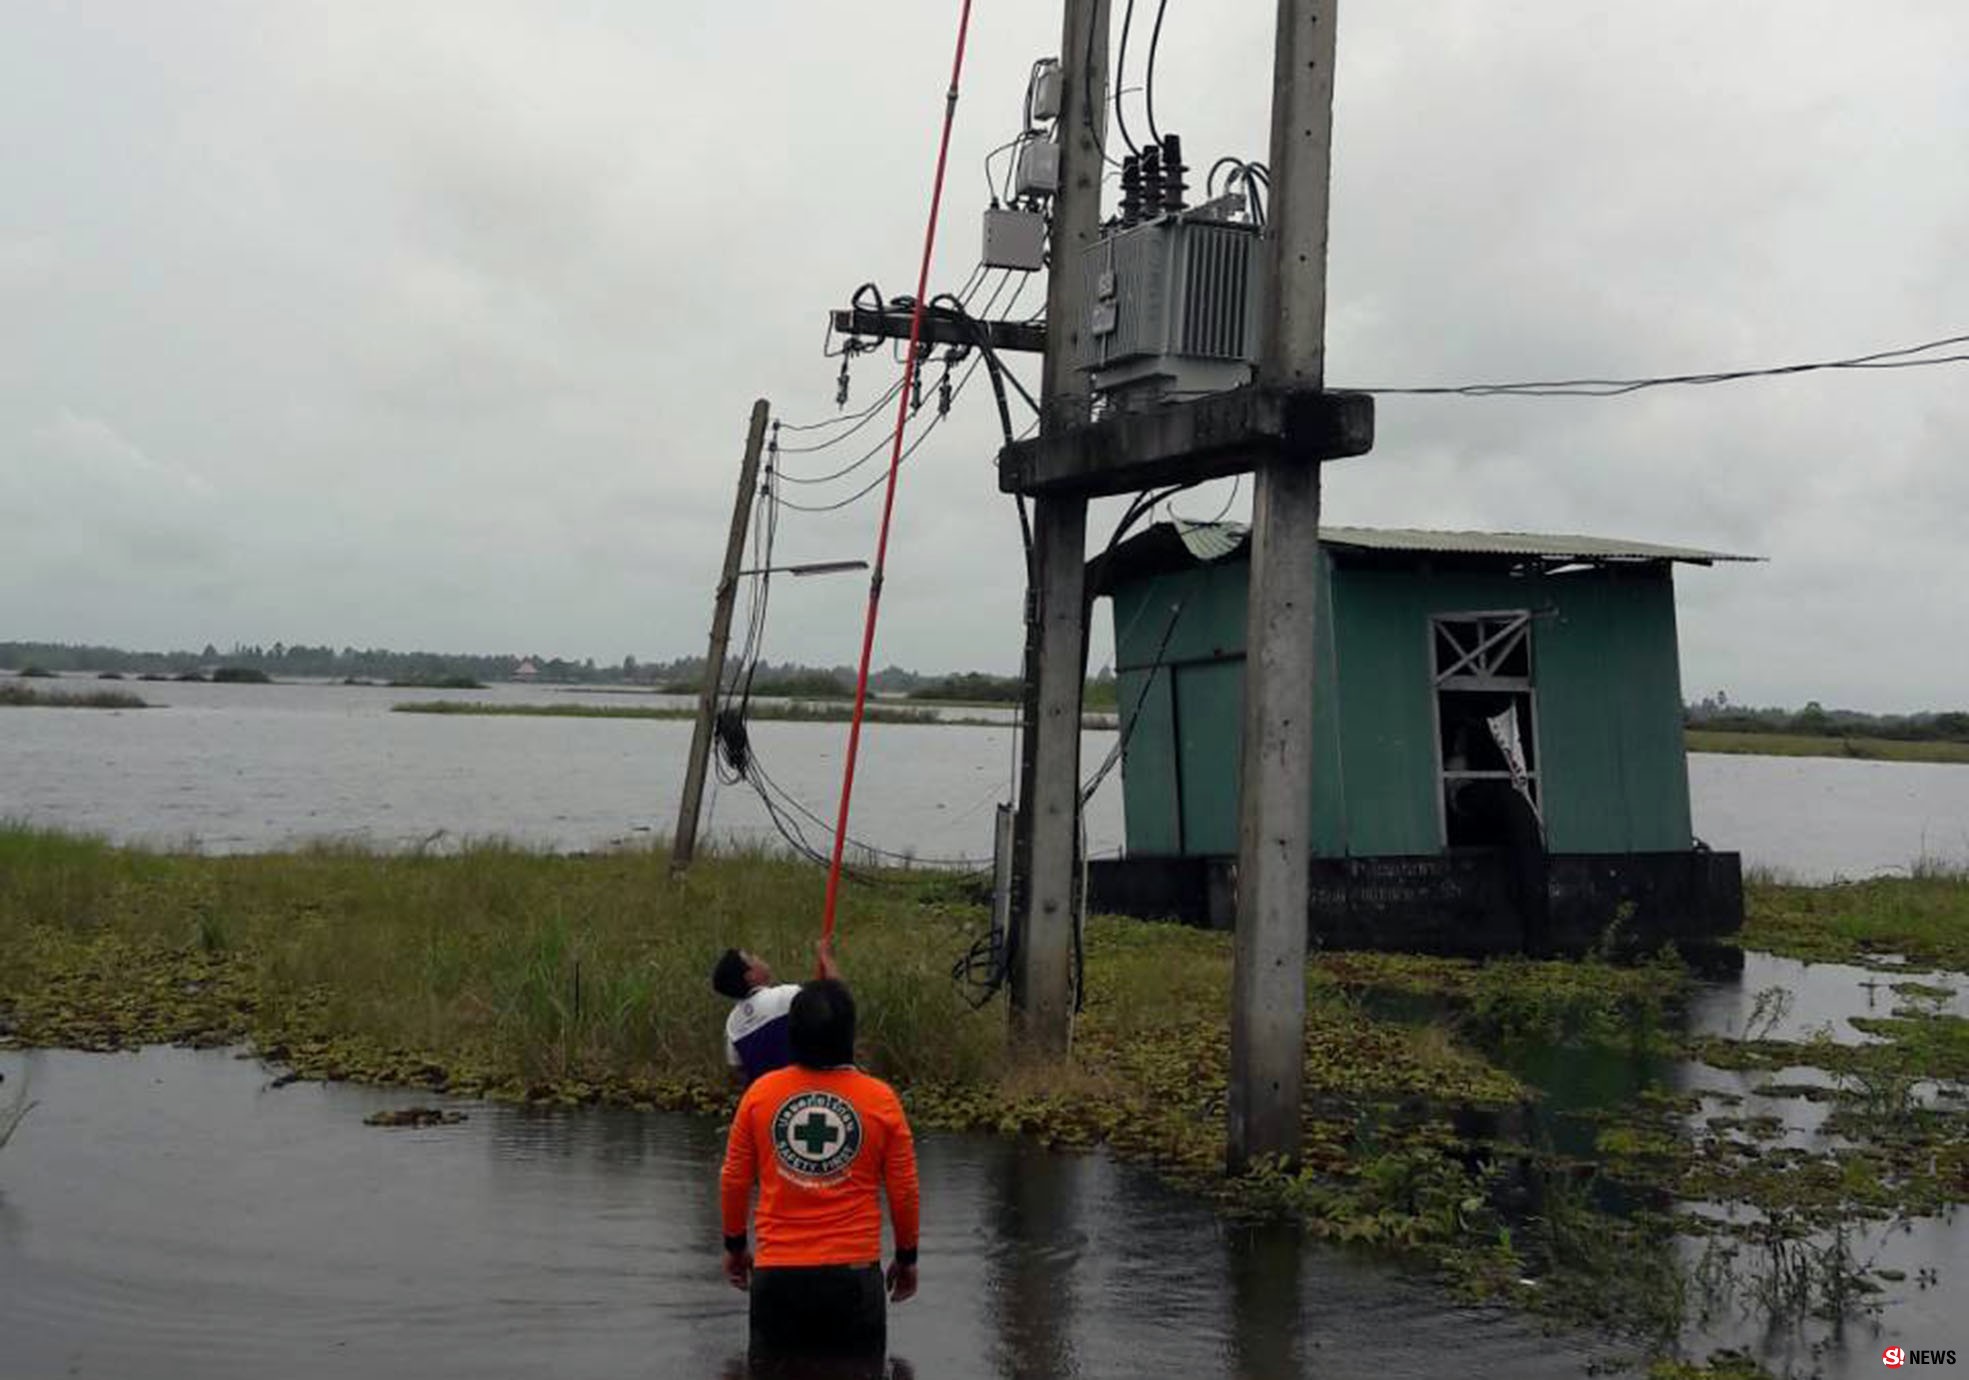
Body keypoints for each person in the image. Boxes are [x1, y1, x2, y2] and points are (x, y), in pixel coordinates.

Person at [719, 978, 919, 1362]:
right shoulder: (881, 1100)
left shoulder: (759, 1096)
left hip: (778, 1276)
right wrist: (907, 1258)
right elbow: (904, 1190)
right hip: (854, 1278)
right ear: (850, 1035)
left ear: (791, 1034)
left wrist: (735, 1247)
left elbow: (733, 1179)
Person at [713, 937, 841, 1086]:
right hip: (809, 1090)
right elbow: (837, 997)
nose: (757, 957)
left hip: (770, 1100)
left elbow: (736, 1070)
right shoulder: (784, 997)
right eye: (751, 958)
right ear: (750, 976)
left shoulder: (732, 1025)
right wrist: (827, 958)